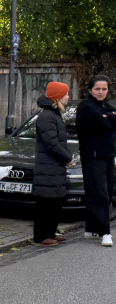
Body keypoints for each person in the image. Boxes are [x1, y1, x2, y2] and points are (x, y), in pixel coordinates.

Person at [75, 75, 116, 247]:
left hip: (108, 155)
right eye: (97, 89)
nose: (101, 92)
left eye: (104, 89)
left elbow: (110, 121)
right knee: (99, 192)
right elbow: (101, 124)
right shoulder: (85, 106)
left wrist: (107, 117)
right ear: (90, 90)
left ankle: (91, 229)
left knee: (107, 190)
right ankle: (105, 232)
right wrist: (108, 118)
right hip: (92, 156)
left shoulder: (106, 106)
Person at [33, 82, 73, 247]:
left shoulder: (54, 114)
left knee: (55, 201)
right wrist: (68, 158)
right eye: (66, 94)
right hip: (47, 167)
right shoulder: (47, 116)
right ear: (57, 97)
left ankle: (50, 232)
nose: (68, 96)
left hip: (54, 166)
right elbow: (51, 143)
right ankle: (41, 236)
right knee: (46, 202)